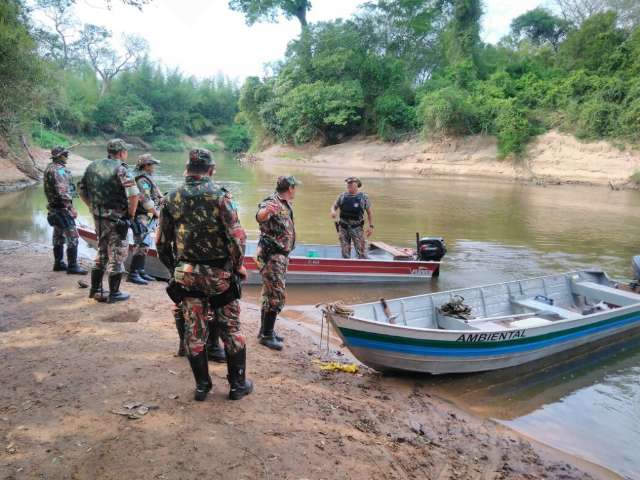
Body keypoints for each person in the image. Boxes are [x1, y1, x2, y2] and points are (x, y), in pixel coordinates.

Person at [156, 148, 252, 401]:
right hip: (219, 274)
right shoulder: (220, 196)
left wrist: (174, 270)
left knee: (193, 330)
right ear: (211, 170)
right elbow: (237, 237)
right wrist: (238, 265)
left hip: (186, 275)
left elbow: (161, 243)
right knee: (231, 328)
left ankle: (202, 386)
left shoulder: (171, 198)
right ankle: (237, 385)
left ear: (187, 169)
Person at [78, 139, 139, 303]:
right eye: (126, 152)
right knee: (117, 254)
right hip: (116, 219)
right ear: (121, 153)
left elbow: (81, 189)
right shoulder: (122, 169)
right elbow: (134, 194)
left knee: (102, 250)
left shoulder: (93, 166)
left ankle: (95, 290)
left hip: (98, 218)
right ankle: (114, 293)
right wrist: (130, 216)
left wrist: (91, 206)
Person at [255, 175, 299, 351]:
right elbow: (260, 216)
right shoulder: (271, 201)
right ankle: (266, 335)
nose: (296, 190)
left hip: (280, 256)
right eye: (295, 187)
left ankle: (265, 331)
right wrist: (265, 213)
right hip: (272, 256)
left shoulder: (285, 204)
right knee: (276, 295)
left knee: (269, 293)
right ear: (290, 188)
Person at [43, 146, 87, 275]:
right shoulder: (59, 171)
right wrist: (71, 207)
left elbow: (65, 189)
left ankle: (59, 263)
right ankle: (72, 266)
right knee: (73, 237)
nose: (67, 156)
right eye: (65, 154)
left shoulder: (49, 168)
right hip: (62, 208)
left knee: (58, 235)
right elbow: (62, 191)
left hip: (53, 208)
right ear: (59, 156)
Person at [128, 153, 162, 285]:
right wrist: (157, 213)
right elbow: (146, 201)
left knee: (145, 243)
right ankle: (133, 273)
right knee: (141, 244)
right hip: (141, 215)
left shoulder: (146, 178)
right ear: (146, 165)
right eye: (153, 164)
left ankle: (141, 271)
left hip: (147, 215)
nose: (154, 167)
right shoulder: (142, 180)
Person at [330, 177, 374, 259]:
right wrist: (333, 211)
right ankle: (346, 267)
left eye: (351, 184)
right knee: (345, 253)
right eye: (348, 184)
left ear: (357, 185)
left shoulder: (364, 197)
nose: (349, 186)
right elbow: (333, 207)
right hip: (343, 228)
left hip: (357, 228)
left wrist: (371, 226)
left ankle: (362, 266)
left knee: (362, 252)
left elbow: (369, 212)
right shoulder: (342, 196)